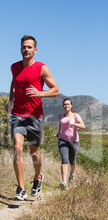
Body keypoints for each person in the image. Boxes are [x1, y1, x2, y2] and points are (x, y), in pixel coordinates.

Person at [5, 35, 59, 201]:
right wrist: (11, 100)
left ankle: (37, 177)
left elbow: (56, 89)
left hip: (35, 115)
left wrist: (40, 93)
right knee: (17, 148)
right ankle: (21, 188)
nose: (26, 50)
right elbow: (14, 83)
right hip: (18, 115)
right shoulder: (14, 67)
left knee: (34, 152)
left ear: (35, 50)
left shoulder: (41, 68)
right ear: (20, 49)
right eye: (24, 47)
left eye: (29, 47)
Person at [57, 98, 85, 189]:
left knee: (72, 161)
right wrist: (59, 132)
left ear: (71, 105)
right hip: (62, 140)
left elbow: (83, 126)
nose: (66, 106)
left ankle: (72, 173)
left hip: (73, 142)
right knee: (64, 160)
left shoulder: (75, 116)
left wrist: (73, 124)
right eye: (65, 104)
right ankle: (64, 182)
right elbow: (60, 124)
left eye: (68, 104)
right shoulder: (61, 116)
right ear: (63, 106)